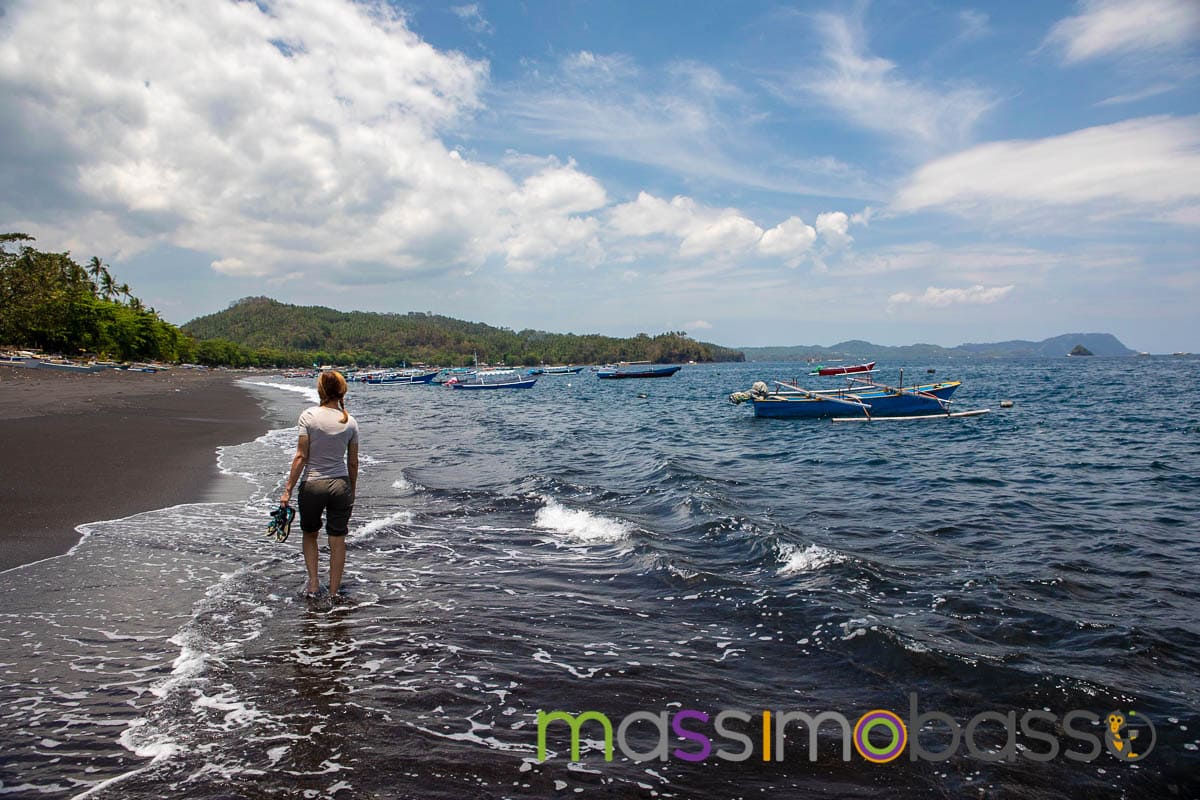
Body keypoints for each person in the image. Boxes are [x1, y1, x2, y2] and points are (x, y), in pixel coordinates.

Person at [279, 370, 359, 597]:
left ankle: (314, 582)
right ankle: (334, 593)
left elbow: (301, 456)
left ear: (320, 390)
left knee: (310, 533)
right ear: (342, 391)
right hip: (340, 485)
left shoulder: (309, 416)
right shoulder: (350, 422)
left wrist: (287, 490)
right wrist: (351, 490)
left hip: (313, 485)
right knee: (337, 539)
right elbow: (353, 463)